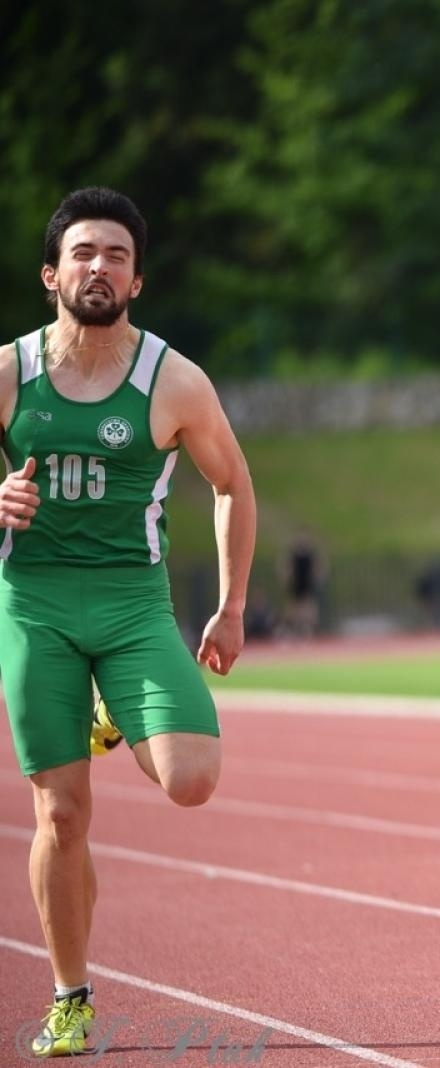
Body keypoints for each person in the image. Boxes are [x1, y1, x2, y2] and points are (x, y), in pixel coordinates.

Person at [0, 187, 257, 1057]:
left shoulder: (173, 380)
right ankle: (71, 995)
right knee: (61, 815)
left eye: (115, 254)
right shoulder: (8, 373)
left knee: (193, 778)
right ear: (51, 274)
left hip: (131, 602)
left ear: (137, 279)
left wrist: (230, 605)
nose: (98, 266)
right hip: (33, 603)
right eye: (82, 253)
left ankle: (111, 718)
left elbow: (233, 483)